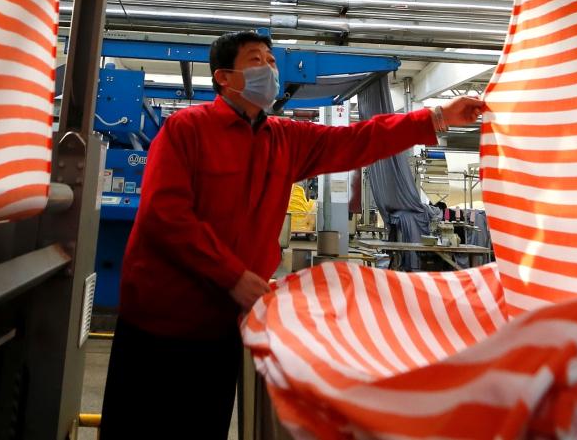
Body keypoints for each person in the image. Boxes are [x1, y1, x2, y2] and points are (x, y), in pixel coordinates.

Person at [99, 30, 486, 438]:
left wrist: (437, 118)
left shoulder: (284, 139)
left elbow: (358, 140)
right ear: (224, 77)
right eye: (255, 59)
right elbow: (166, 214)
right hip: (161, 322)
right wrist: (233, 276)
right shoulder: (186, 130)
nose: (269, 67)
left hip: (223, 328)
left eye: (270, 59)